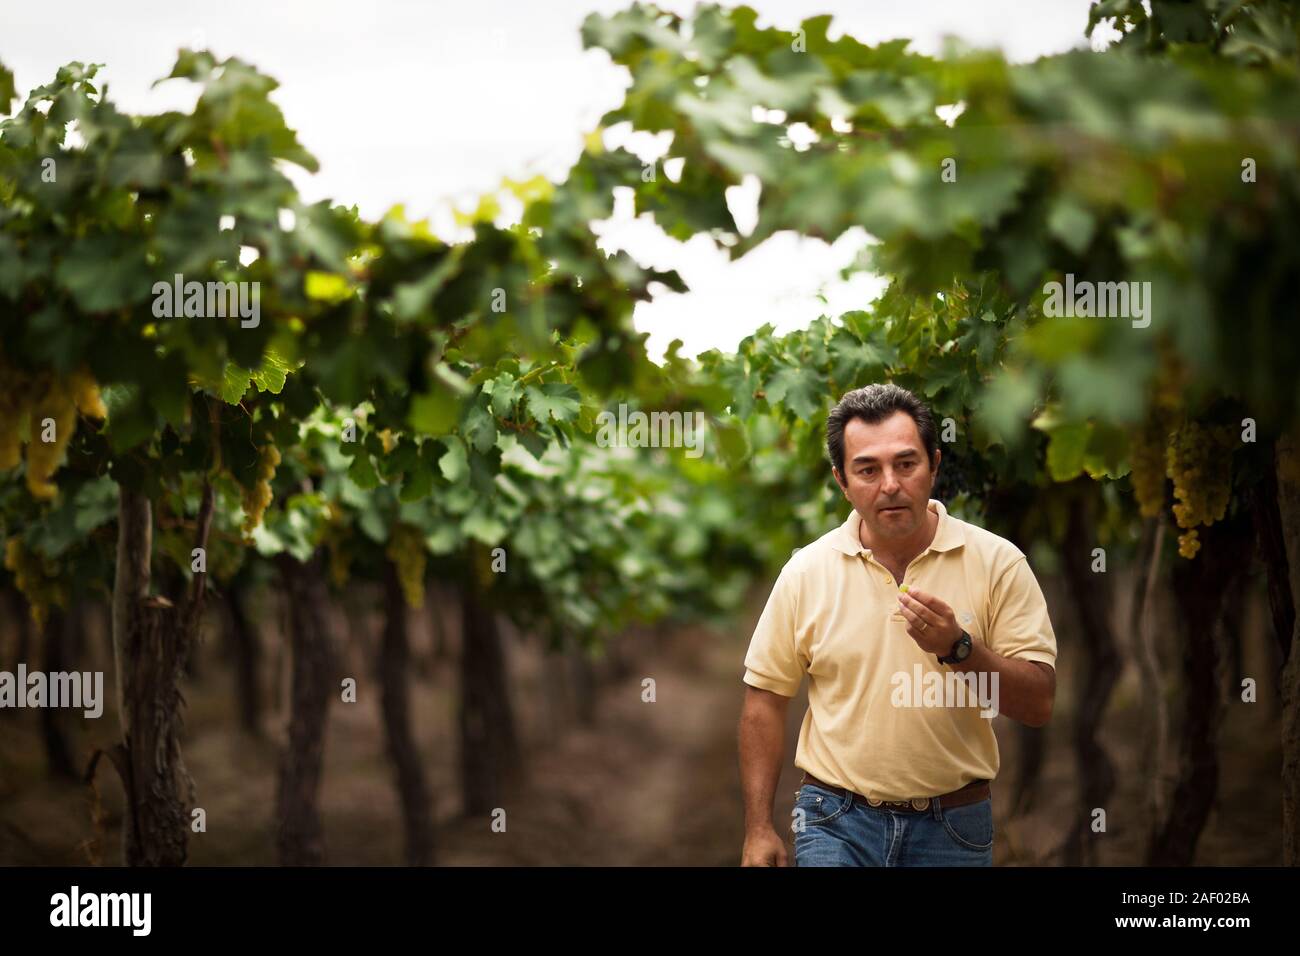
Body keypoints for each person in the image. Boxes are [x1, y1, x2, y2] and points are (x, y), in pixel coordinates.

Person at [738, 383, 1057, 866]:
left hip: (954, 827)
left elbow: (1038, 703)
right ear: (842, 481)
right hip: (833, 820)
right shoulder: (806, 571)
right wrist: (759, 828)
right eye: (867, 469)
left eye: (905, 464)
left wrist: (959, 648)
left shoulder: (999, 563)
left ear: (934, 464)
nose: (890, 484)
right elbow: (764, 700)